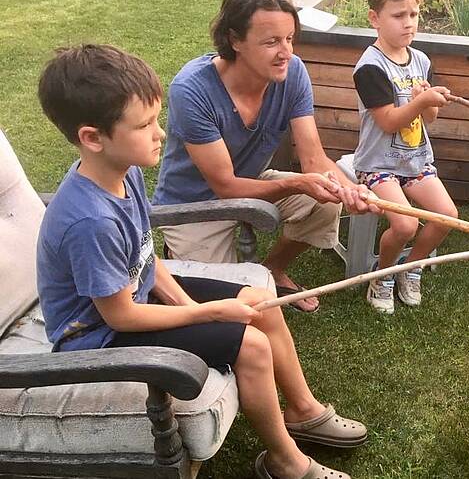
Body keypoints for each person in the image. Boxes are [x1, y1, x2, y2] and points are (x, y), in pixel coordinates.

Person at [36, 44, 365, 479]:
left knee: (258, 300)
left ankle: (303, 410)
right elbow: (122, 316)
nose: (160, 134)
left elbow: (146, 262)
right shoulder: (89, 221)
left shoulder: (124, 172)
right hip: (96, 338)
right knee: (250, 346)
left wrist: (189, 307)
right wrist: (209, 312)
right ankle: (285, 462)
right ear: (92, 138)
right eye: (145, 125)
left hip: (131, 303)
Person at [153, 0, 374, 313]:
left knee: (325, 204)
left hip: (254, 180)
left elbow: (314, 159)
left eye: (289, 39)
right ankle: (179, 256)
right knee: (224, 306)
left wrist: (351, 190)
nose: (286, 52)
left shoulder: (293, 72)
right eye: (272, 42)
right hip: (194, 204)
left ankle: (273, 267)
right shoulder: (192, 90)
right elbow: (225, 186)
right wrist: (298, 183)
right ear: (234, 39)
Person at [353, 0, 458, 314]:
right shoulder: (371, 67)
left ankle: (410, 267)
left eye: (413, 14)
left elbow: (428, 120)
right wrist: (418, 102)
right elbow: (386, 122)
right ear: (375, 18)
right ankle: (382, 276)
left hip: (414, 160)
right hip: (378, 164)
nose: (408, 23)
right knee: (405, 223)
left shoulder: (421, 60)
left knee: (447, 216)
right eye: (399, 16)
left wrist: (428, 103)